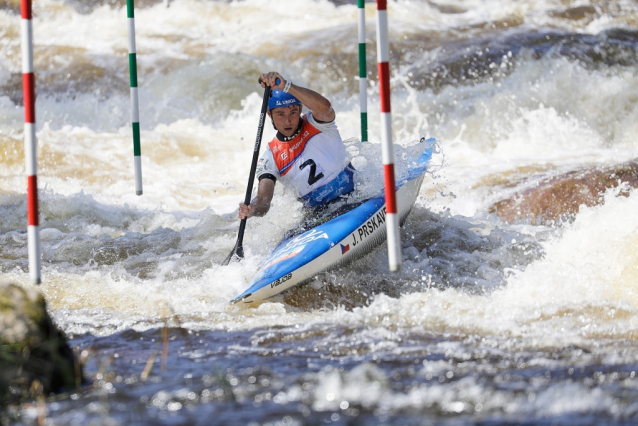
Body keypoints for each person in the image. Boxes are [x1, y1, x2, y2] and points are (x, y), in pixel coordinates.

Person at [238, 71, 354, 220]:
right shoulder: (270, 158)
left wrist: (286, 86)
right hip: (319, 215)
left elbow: (325, 107)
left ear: (300, 109)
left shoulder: (317, 123)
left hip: (354, 195)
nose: (288, 121)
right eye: (280, 114)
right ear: (269, 114)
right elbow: (264, 199)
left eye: (293, 112)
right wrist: (252, 208)